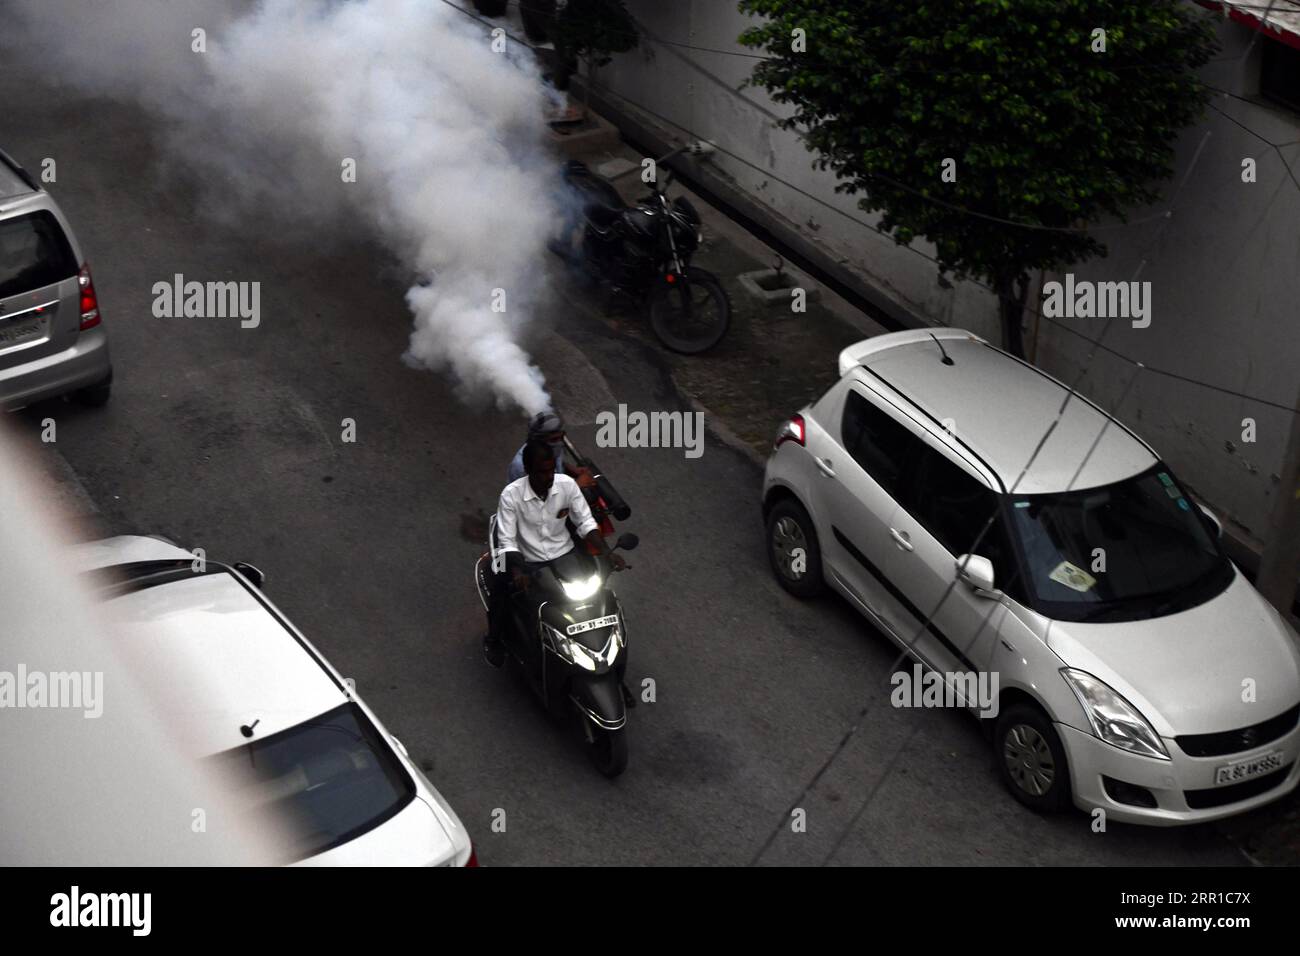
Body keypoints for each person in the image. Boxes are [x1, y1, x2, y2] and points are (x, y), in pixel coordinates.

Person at [484, 439, 626, 667]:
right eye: (542, 472)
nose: (549, 476)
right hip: (527, 561)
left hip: (564, 556)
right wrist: (519, 571)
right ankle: (493, 639)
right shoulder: (511, 496)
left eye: (551, 470)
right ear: (528, 470)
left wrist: (607, 553)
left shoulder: (566, 486)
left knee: (601, 598)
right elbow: (508, 541)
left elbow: (586, 524)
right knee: (504, 590)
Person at [506, 412, 595, 488]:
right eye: (554, 439)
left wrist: (569, 469)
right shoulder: (521, 467)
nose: (559, 443)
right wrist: (576, 486)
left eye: (561, 437)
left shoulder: (551, 447)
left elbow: (555, 462)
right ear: (538, 441)